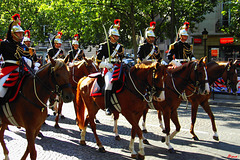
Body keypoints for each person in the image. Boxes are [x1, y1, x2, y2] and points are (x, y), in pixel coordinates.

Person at [0, 14, 32, 101]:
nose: (21, 35)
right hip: (8, 70)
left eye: (21, 33)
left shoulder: (24, 46)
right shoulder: (4, 44)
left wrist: (28, 61)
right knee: (1, 90)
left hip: (24, 69)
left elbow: (29, 58)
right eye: (19, 33)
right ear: (13, 33)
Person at [96, 19, 124, 115]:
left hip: (119, 67)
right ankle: (107, 106)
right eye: (115, 36)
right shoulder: (104, 46)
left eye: (117, 36)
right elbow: (98, 62)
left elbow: (121, 58)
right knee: (109, 84)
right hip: (109, 68)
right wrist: (106, 65)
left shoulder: (120, 47)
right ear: (111, 36)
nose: (117, 37)